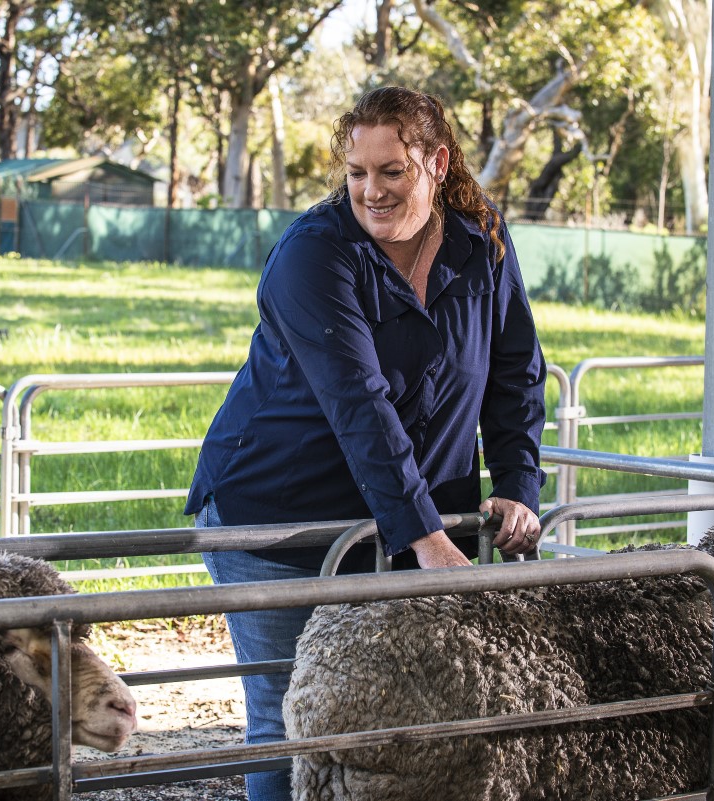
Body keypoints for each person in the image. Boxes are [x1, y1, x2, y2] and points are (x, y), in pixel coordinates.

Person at [183, 86, 547, 801]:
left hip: (409, 527)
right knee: (292, 723)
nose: (370, 191)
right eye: (356, 173)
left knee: (407, 720)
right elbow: (360, 405)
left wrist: (516, 480)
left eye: (391, 172)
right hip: (282, 519)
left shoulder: (483, 241)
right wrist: (428, 539)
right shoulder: (314, 255)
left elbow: (516, 370)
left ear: (437, 163)